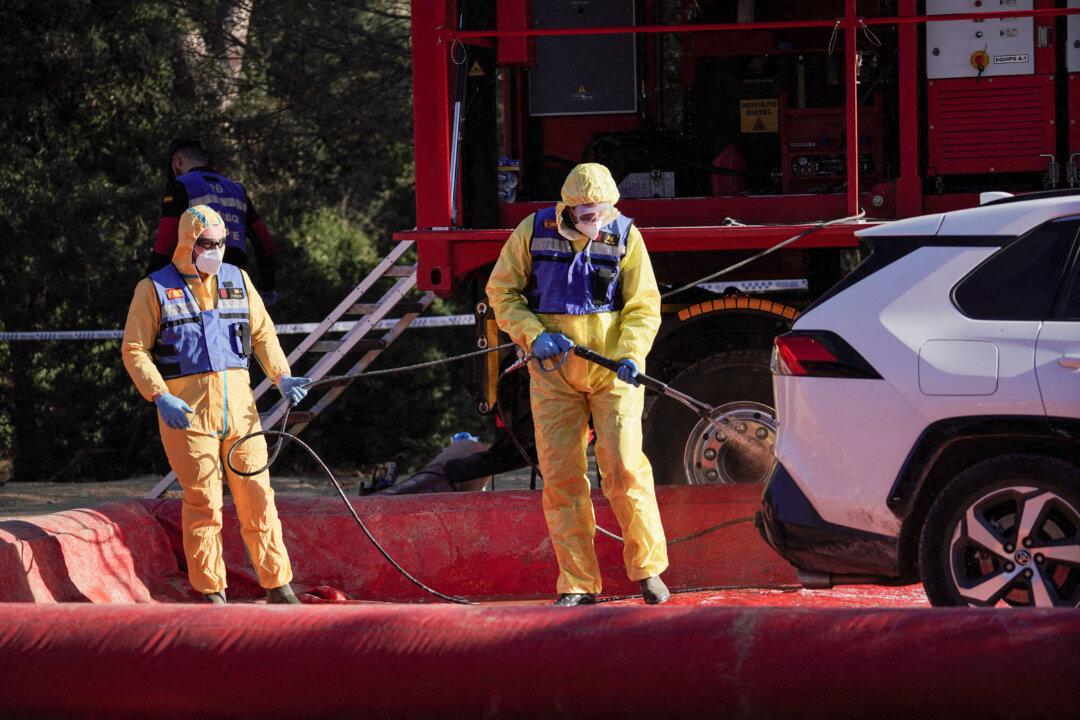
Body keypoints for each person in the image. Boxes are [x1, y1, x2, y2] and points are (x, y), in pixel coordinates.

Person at [486, 163, 671, 606]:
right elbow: (502, 291)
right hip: (553, 376)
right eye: (588, 213)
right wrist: (533, 335)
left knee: (626, 468)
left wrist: (630, 354)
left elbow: (644, 305)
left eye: (603, 211)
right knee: (562, 477)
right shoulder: (532, 231)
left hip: (612, 372)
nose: (596, 221)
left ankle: (649, 572)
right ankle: (577, 582)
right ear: (568, 208)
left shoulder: (626, 234)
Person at [122, 204, 309, 605]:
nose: (216, 250)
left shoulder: (238, 279)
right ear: (189, 243)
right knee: (203, 503)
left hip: (241, 411)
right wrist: (160, 394)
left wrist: (282, 376)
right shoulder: (153, 288)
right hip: (188, 415)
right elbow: (135, 349)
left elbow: (263, 335)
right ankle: (212, 593)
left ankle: (278, 585)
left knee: (258, 496)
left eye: (222, 243)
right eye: (208, 244)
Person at [148, 138, 279, 305]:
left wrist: (151, 281)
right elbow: (265, 242)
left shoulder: (180, 186)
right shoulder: (237, 189)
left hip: (198, 286)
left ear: (177, 162)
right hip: (238, 282)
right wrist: (268, 286)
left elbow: (165, 243)